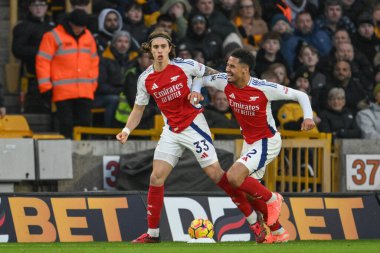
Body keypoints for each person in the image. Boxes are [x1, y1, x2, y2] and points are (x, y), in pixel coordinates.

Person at [116, 30, 282, 243]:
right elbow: (138, 109)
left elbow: (212, 74)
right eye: (155, 47)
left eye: (163, 47)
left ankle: (255, 223)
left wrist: (209, 88)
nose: (159, 51)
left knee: (216, 175)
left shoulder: (186, 66)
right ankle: (153, 234)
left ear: (169, 49)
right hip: (171, 130)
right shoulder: (145, 78)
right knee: (156, 177)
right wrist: (127, 130)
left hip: (194, 126)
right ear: (150, 49)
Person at [193, 48, 316, 242]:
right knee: (247, 192)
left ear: (245, 69)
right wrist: (194, 91)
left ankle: (273, 199)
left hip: (267, 141)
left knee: (233, 177)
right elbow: (200, 78)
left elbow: (300, 95)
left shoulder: (263, 87)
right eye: (227, 65)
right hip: (249, 143)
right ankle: (277, 231)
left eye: (232, 66)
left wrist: (308, 118)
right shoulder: (224, 81)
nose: (227, 69)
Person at [36, 9, 99, 138]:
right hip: (62, 91)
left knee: (85, 124)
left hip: (85, 90)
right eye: (77, 26)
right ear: (70, 23)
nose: (80, 29)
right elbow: (43, 62)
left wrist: (92, 84)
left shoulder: (88, 37)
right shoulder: (53, 36)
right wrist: (45, 87)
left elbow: (94, 61)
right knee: (66, 124)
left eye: (83, 27)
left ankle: (84, 153)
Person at [12, 0, 54, 113]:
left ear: (46, 8)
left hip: (53, 71)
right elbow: (17, 50)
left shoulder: (52, 28)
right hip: (33, 70)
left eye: (42, 5)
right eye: (35, 5)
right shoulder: (22, 27)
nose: (39, 8)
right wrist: (42, 52)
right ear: (30, 7)